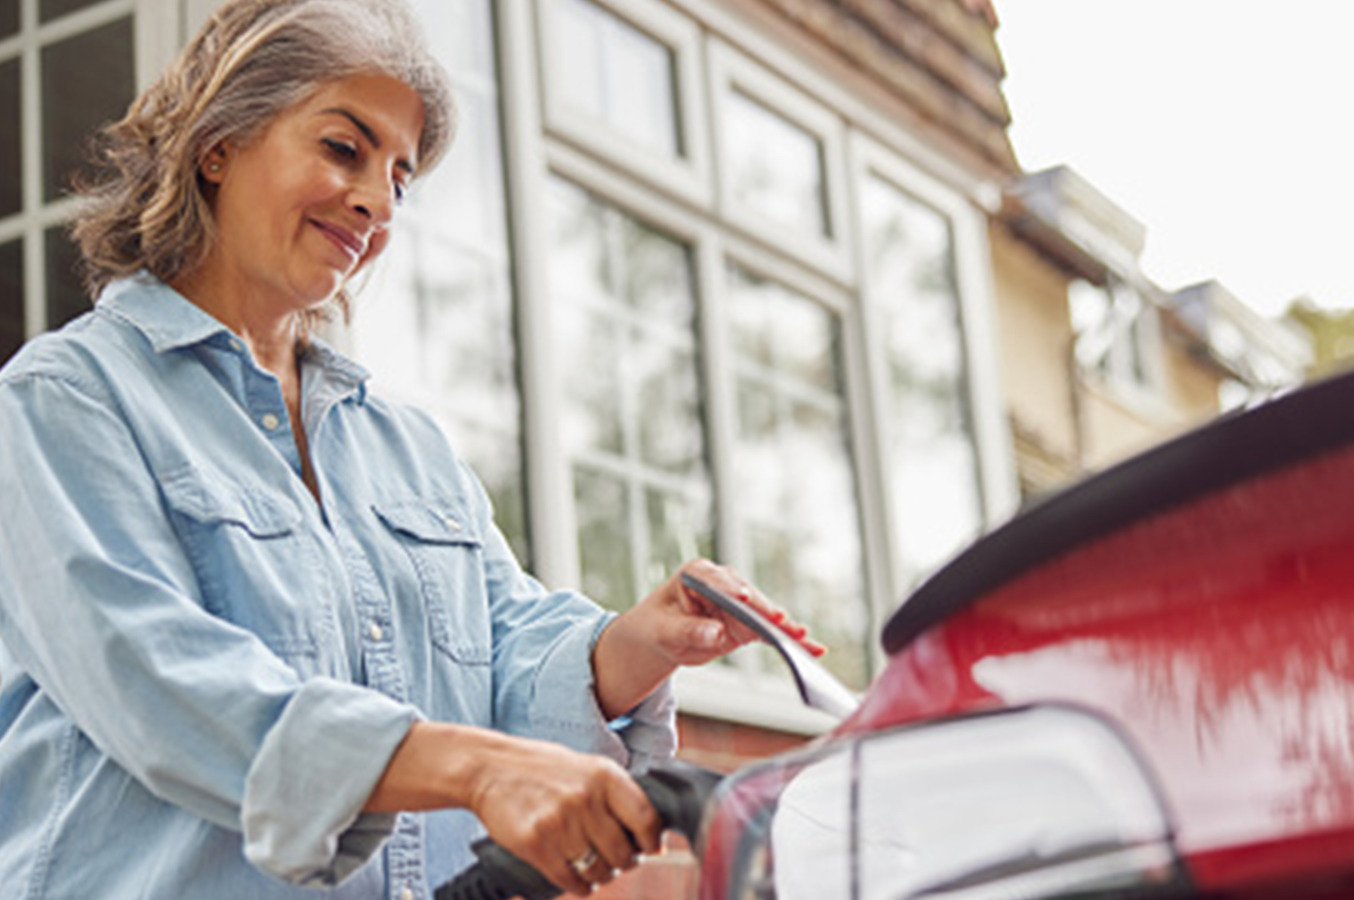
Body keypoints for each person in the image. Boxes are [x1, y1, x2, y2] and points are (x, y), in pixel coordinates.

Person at [0, 1, 822, 897]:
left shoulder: (406, 445)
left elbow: (505, 650)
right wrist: (473, 769)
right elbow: (157, 682)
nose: (378, 201)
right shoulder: (65, 400)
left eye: (401, 175)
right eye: (344, 149)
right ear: (219, 145)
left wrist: (637, 645)